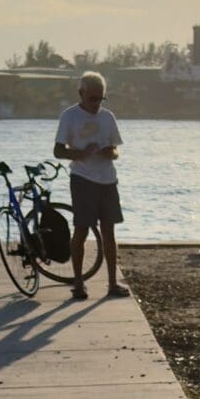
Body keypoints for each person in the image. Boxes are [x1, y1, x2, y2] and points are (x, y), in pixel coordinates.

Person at [54, 71, 128, 300]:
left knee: (109, 231)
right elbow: (58, 151)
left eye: (100, 99)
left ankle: (112, 283)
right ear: (81, 93)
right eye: (92, 98)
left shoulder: (108, 117)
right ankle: (78, 283)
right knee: (82, 229)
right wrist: (80, 153)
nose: (96, 104)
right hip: (82, 179)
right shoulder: (69, 117)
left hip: (107, 180)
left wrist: (110, 153)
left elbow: (116, 150)